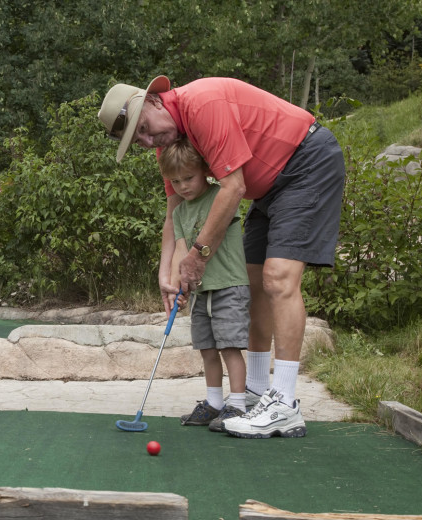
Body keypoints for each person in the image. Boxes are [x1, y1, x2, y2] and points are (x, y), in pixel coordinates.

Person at [98, 76, 345, 438]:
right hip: (271, 186)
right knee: (254, 281)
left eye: (145, 130)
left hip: (306, 162)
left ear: (152, 101)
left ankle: (285, 403)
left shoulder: (202, 105)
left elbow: (233, 186)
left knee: (277, 278)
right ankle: (260, 391)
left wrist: (197, 255)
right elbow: (174, 212)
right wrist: (166, 273)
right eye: (139, 141)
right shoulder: (170, 141)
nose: (149, 141)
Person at [159, 139, 249, 433]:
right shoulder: (180, 212)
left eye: (189, 177)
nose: (183, 186)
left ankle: (237, 404)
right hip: (201, 293)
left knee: (229, 348)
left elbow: (217, 235)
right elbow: (182, 253)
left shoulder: (220, 196)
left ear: (204, 170)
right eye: (176, 181)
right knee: (207, 349)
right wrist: (176, 288)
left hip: (228, 285)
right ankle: (214, 404)